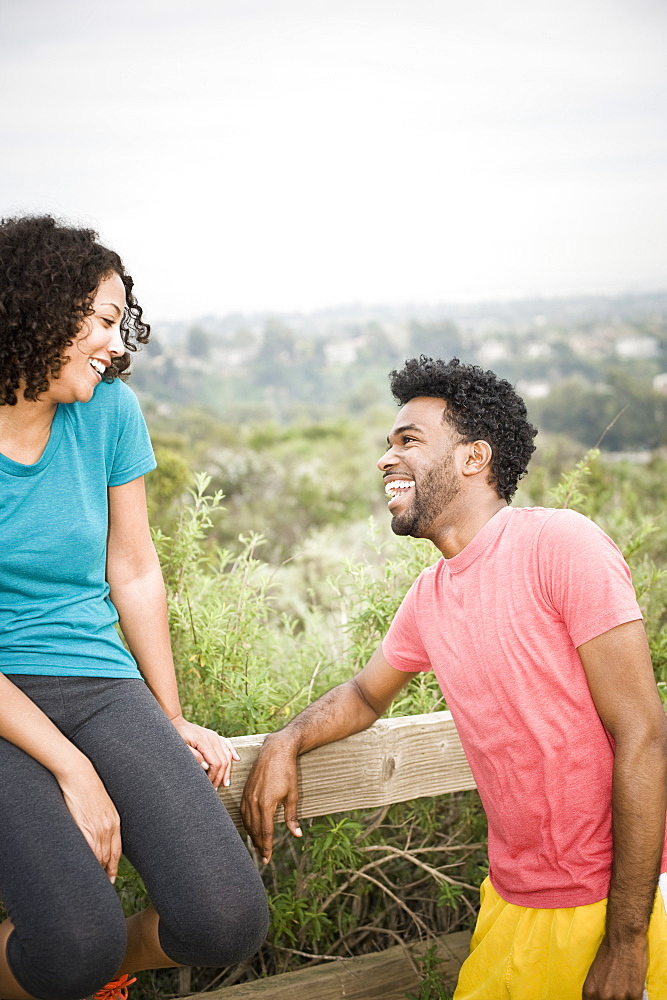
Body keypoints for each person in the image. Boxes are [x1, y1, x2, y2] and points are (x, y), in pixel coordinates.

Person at [241, 356, 667, 1000]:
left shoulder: (562, 545)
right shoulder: (430, 595)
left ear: (474, 458)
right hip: (512, 898)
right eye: (388, 445)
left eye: (409, 441)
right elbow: (363, 695)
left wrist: (628, 940)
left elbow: (643, 736)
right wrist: (286, 739)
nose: (387, 459)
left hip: (610, 902)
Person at [0, 215, 269, 1000]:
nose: (118, 346)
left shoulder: (110, 412)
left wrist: (168, 713)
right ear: (38, 305)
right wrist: (73, 768)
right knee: (72, 946)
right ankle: (65, 967)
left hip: (99, 685)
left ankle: (83, 971)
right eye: (105, 322)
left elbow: (135, 568)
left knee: (227, 919)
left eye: (123, 325)